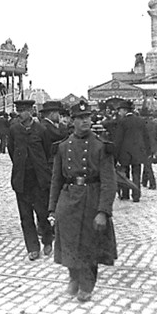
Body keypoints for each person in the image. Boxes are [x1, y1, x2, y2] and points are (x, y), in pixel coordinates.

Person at [48, 100, 118, 302]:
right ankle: (73, 278)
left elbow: (109, 181)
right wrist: (52, 208)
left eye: (87, 117)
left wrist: (103, 211)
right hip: (68, 199)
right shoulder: (62, 147)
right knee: (69, 241)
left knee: (89, 245)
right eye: (80, 118)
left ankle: (87, 284)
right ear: (72, 120)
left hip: (91, 198)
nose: (85, 121)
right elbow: (56, 179)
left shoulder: (101, 146)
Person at [8, 100, 54, 261]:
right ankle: (32, 247)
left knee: (42, 213)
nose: (19, 114)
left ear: (30, 111)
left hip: (39, 179)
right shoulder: (13, 130)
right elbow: (12, 151)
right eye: (18, 111)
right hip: (22, 179)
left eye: (22, 111)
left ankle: (48, 239)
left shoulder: (41, 130)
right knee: (25, 216)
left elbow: (48, 152)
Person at [114, 100, 151, 202]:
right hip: (138, 152)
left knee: (125, 174)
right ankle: (136, 195)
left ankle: (125, 194)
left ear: (125, 110)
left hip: (124, 153)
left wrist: (115, 154)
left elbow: (118, 139)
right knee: (136, 174)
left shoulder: (121, 122)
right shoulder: (140, 120)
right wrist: (148, 152)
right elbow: (146, 137)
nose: (119, 113)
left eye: (120, 110)